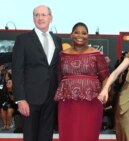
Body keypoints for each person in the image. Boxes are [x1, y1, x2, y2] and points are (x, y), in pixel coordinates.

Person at [12, 5, 62, 141]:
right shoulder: (23, 40)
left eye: (44, 15)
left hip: (51, 99)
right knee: (30, 137)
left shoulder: (57, 40)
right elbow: (17, 70)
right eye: (37, 15)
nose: (40, 18)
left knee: (47, 136)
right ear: (33, 18)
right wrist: (21, 99)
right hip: (30, 100)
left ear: (50, 18)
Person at [54, 22, 110, 141]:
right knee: (68, 134)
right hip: (67, 102)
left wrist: (104, 94)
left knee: (88, 134)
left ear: (88, 36)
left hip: (92, 102)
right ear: (71, 35)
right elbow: (58, 77)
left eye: (84, 33)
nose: (80, 35)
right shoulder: (62, 55)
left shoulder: (97, 54)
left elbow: (105, 77)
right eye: (77, 32)